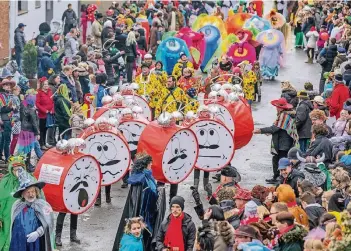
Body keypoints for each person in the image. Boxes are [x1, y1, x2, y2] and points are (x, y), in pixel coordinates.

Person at [113, 153, 163, 250]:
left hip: (146, 213)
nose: (151, 165)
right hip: (144, 214)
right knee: (141, 236)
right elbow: (142, 199)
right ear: (145, 164)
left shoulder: (145, 176)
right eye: (150, 163)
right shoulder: (142, 179)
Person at [253, 98, 298, 183]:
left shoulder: (284, 116)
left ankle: (281, 179)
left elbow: (274, 128)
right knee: (276, 159)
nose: (276, 108)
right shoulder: (284, 115)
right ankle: (276, 177)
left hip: (284, 143)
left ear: (281, 108)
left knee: (281, 161)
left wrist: (260, 130)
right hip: (282, 142)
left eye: (277, 107)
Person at [0, 156, 39, 251]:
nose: (18, 171)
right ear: (11, 169)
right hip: (7, 218)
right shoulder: (5, 182)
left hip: (27, 218)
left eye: (20, 169)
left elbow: (39, 198)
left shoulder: (31, 180)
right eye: (15, 169)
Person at [10, 179, 55, 251]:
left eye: (33, 191)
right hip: (19, 243)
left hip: (37, 243)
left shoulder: (43, 205)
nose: (31, 194)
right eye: (28, 192)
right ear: (22, 194)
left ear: (36, 192)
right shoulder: (17, 206)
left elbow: (50, 223)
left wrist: (38, 233)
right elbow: (13, 227)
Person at [17, 91, 43, 170]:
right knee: (28, 149)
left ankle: (26, 164)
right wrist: (37, 133)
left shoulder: (23, 104)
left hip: (24, 129)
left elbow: (21, 118)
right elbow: (34, 123)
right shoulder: (32, 109)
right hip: (30, 130)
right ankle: (27, 165)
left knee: (26, 148)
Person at [0, 79, 17, 163]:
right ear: (3, 86)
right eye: (6, 85)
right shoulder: (1, 96)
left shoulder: (9, 96)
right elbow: (2, 110)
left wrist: (13, 108)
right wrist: (10, 107)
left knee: (4, 139)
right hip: (5, 120)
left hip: (9, 120)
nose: (8, 86)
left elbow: (15, 109)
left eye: (9, 85)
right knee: (6, 140)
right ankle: (7, 157)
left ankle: (2, 156)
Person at [36, 77, 54, 150]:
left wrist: (52, 109)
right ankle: (41, 143)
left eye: (47, 84)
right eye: (45, 84)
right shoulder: (39, 93)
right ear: (42, 85)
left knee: (47, 128)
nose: (46, 85)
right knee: (42, 129)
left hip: (49, 114)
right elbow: (37, 103)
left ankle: (45, 142)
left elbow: (52, 102)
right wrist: (44, 110)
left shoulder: (50, 91)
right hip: (42, 114)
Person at [9, 85, 21, 156]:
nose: (19, 92)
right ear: (14, 90)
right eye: (18, 91)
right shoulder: (15, 97)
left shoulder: (11, 97)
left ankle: (11, 152)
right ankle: (11, 153)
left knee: (14, 137)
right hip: (15, 119)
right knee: (15, 137)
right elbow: (16, 109)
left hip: (13, 119)